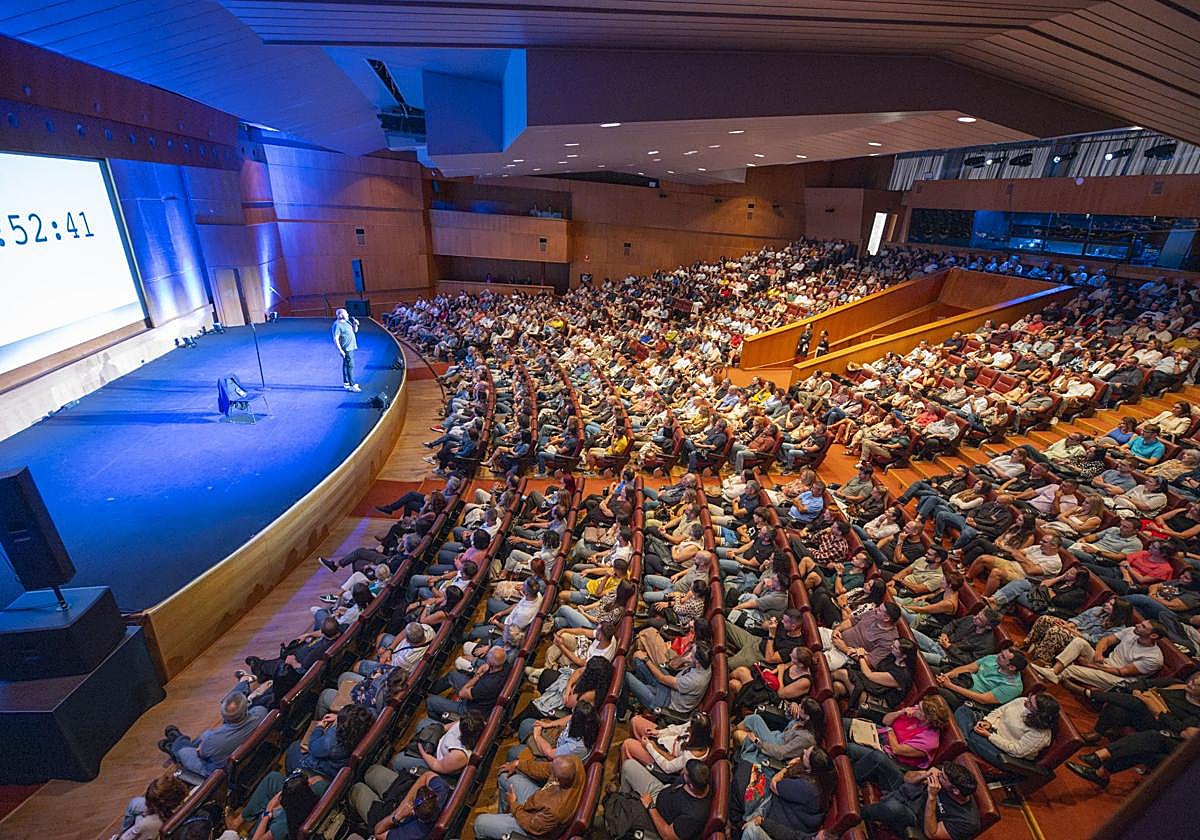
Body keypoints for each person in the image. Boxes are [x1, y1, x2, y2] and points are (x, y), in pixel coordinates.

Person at [472, 754, 585, 839]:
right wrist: (518, 763)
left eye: (553, 772)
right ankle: (502, 816)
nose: (550, 768)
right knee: (504, 775)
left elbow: (533, 826)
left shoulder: (556, 811)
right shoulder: (574, 763)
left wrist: (514, 805)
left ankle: (498, 827)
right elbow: (546, 768)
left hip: (533, 825)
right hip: (538, 800)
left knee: (479, 823)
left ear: (557, 779)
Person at [159, 691, 268, 777]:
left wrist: (203, 747)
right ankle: (177, 742)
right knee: (205, 736)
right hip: (250, 754)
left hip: (219, 771)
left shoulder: (214, 741)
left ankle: (176, 743)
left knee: (184, 751)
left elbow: (201, 754)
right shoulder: (262, 712)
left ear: (224, 716)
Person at [860, 762, 980, 840]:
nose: (938, 775)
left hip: (916, 818)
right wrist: (924, 775)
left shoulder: (967, 821)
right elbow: (907, 777)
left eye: (942, 777)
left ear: (955, 791)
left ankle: (855, 814)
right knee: (879, 760)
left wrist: (932, 797)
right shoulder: (945, 774)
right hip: (908, 791)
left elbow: (932, 834)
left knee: (893, 807)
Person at [956, 693, 1059, 770]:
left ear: (1038, 714)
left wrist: (989, 736)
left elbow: (1016, 751)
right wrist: (988, 722)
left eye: (1030, 704)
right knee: (963, 710)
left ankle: (960, 741)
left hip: (1005, 753)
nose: (1025, 702)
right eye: (1029, 698)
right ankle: (963, 741)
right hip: (991, 729)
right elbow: (999, 711)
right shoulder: (1021, 701)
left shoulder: (1040, 735)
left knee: (974, 736)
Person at [115, 774, 188, 840]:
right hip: (164, 812)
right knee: (135, 803)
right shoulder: (187, 800)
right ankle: (125, 829)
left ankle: (124, 830)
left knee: (135, 805)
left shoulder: (146, 824)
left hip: (152, 825)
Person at [333, 307, 362, 392]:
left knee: (346, 364)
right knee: (350, 366)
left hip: (351, 346)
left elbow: (355, 331)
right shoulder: (337, 325)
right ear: (341, 315)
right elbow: (336, 338)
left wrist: (355, 324)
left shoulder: (347, 321)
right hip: (346, 348)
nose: (348, 315)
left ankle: (346, 383)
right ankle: (352, 385)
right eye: (346, 314)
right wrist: (340, 350)